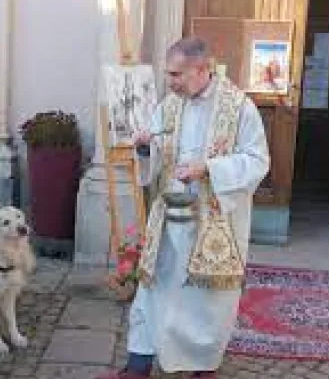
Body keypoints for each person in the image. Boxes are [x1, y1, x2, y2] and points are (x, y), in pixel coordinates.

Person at [96, 38, 270, 379]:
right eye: (168, 74)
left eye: (177, 74)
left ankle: (203, 369)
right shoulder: (170, 105)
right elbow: (159, 153)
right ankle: (138, 366)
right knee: (152, 287)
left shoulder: (240, 108)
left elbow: (257, 160)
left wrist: (209, 169)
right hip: (170, 218)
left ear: (203, 69)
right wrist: (146, 149)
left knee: (207, 301)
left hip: (214, 221)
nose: (170, 81)